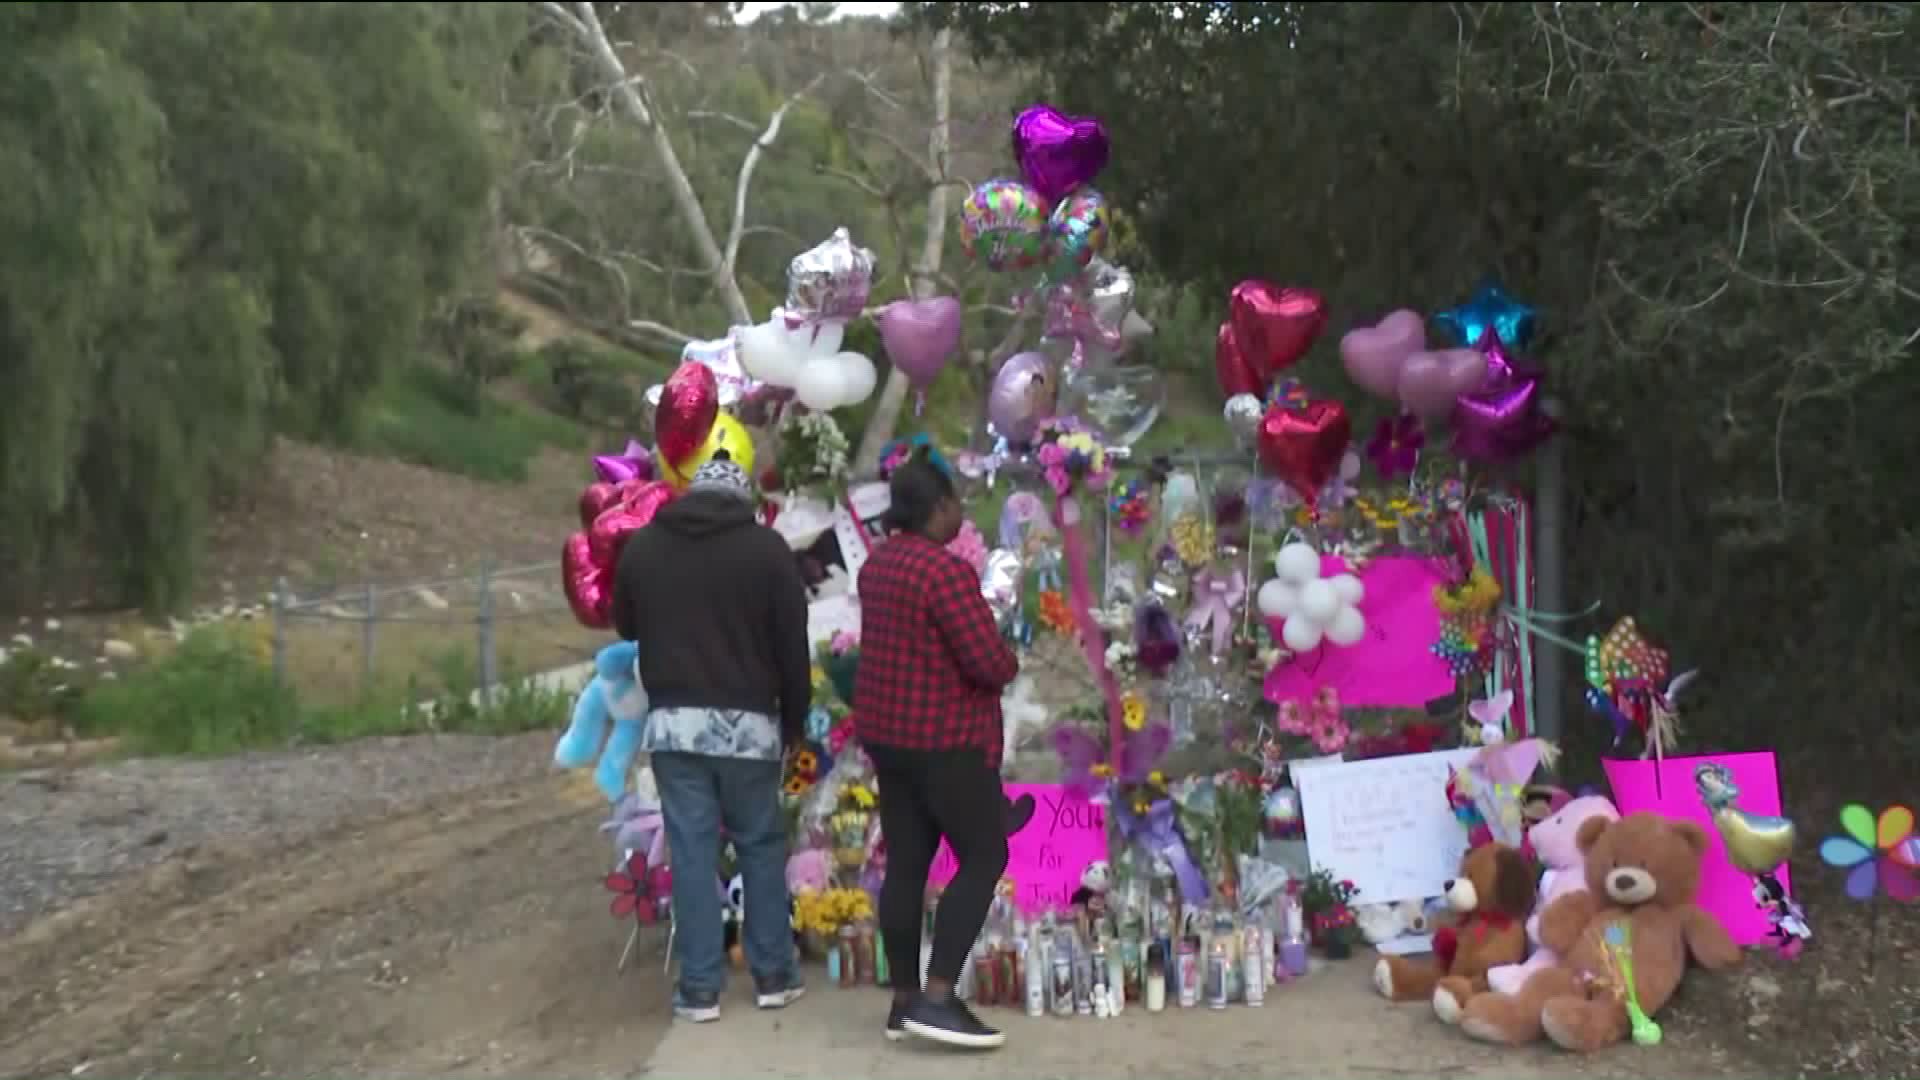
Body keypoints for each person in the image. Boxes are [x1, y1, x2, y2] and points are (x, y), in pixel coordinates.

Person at [613, 451, 812, 1024]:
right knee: (759, 845)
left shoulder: (646, 547)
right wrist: (794, 721)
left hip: (676, 728)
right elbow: (791, 646)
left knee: (694, 853)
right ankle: (773, 975)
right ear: (742, 500)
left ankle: (700, 990)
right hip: (750, 730)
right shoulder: (767, 552)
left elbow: (627, 623)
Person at [854, 448, 1023, 1050]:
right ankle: (939, 993)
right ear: (939, 508)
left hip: (889, 738)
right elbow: (988, 661)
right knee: (984, 854)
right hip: (944, 741)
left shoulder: (877, 566)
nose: (960, 515)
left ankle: (902, 1000)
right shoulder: (943, 573)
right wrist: (1010, 655)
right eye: (956, 503)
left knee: (907, 860)